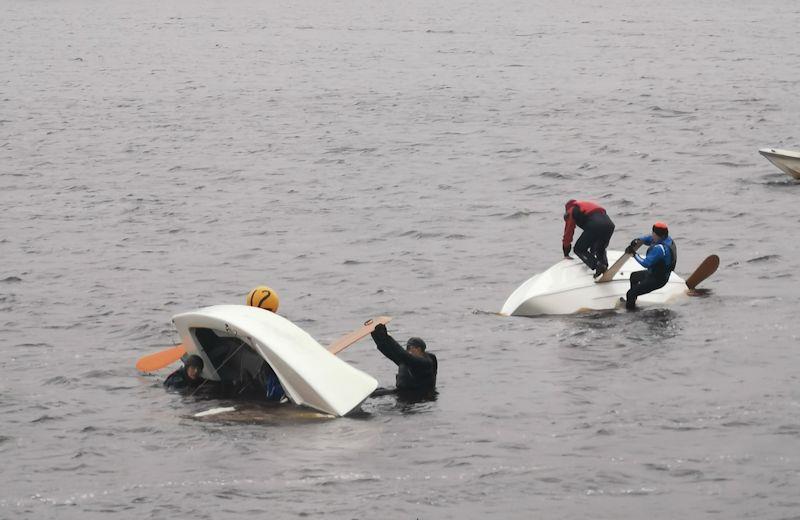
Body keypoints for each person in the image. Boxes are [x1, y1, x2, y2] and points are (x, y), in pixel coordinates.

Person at [622, 221, 677, 310]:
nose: (652, 235)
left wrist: (634, 254)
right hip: (654, 273)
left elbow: (646, 263)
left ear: (660, 236)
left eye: (653, 234)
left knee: (630, 293)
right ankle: (632, 300)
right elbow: (649, 239)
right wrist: (639, 240)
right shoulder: (667, 239)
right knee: (634, 276)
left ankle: (631, 312)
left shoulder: (660, 249)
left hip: (658, 280)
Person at [370, 323, 437, 395]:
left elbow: (402, 354)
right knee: (373, 392)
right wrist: (375, 334)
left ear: (418, 349)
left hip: (415, 396)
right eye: (407, 348)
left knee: (375, 394)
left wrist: (386, 336)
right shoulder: (407, 361)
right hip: (403, 392)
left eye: (410, 348)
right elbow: (388, 352)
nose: (408, 351)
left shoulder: (424, 362)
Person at [562, 199, 616, 278]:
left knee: (579, 249)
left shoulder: (571, 210)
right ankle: (603, 266)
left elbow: (568, 232)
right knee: (600, 248)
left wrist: (566, 252)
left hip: (595, 225)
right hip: (609, 225)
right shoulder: (587, 206)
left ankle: (597, 266)